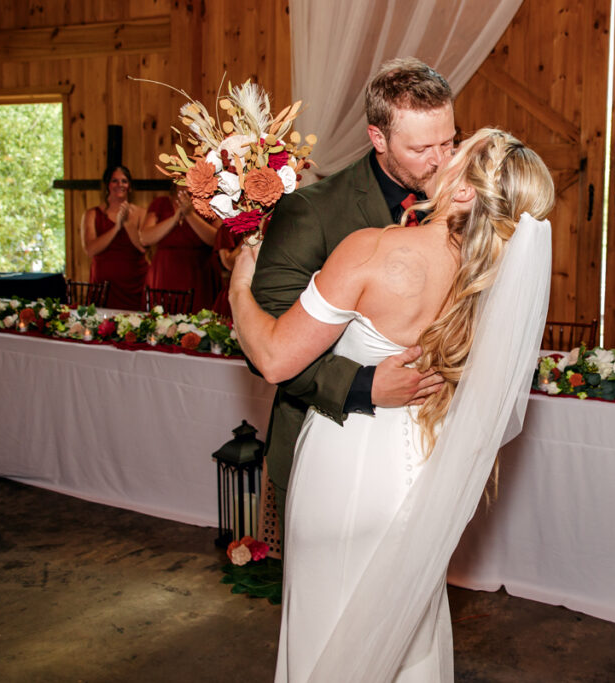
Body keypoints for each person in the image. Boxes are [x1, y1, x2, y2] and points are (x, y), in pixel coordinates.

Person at [230, 127, 555, 683]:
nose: (443, 157)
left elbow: (276, 359)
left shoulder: (373, 249)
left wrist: (239, 287)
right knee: (406, 638)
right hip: (421, 476)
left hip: (347, 465)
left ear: (463, 193)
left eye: (457, 150)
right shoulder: (493, 284)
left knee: (326, 629)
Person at [251, 57, 454, 539]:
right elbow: (266, 342)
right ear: (378, 139)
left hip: (429, 455)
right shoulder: (310, 213)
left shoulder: (463, 203)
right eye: (422, 147)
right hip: (331, 449)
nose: (442, 161)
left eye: (449, 141)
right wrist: (363, 386)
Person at [139, 189, 220, 312]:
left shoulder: (210, 203)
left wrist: (190, 215)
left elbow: (216, 239)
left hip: (198, 273)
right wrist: (175, 218)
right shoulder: (161, 203)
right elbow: (145, 238)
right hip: (164, 274)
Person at [81, 165, 147, 309]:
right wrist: (117, 227)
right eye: (115, 181)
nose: (120, 185)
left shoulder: (141, 213)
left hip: (134, 284)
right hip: (104, 285)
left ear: (129, 186)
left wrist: (127, 223)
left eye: (124, 181)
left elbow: (143, 248)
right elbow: (90, 249)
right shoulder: (92, 214)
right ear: (107, 185)